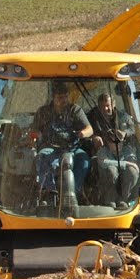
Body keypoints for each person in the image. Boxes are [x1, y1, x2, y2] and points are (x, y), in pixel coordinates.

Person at [32, 81, 93, 210]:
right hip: (51, 148)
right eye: (60, 97)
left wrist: (83, 133)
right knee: (41, 157)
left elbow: (89, 129)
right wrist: (35, 135)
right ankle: (49, 193)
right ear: (53, 98)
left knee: (84, 160)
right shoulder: (43, 112)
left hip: (73, 148)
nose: (63, 100)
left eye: (65, 97)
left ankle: (75, 191)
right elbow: (34, 131)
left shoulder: (75, 110)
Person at [87, 92, 139, 209]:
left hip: (123, 152)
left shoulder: (123, 117)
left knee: (132, 172)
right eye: (101, 106)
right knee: (111, 171)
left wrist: (124, 134)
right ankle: (109, 199)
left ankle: (123, 199)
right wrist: (93, 137)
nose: (105, 109)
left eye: (107, 105)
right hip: (102, 153)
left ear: (113, 104)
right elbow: (84, 129)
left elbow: (133, 129)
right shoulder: (92, 117)